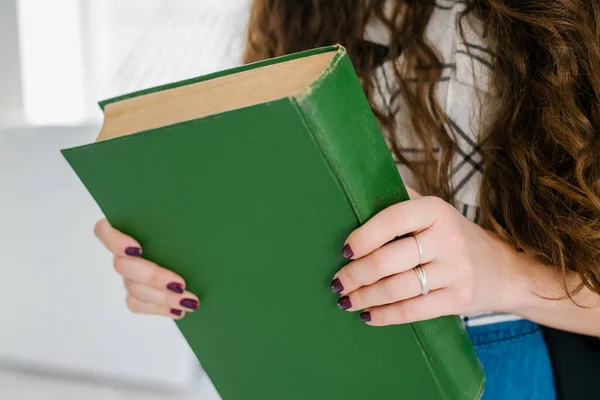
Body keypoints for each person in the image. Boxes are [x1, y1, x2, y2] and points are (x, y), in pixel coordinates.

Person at [93, 1, 600, 399]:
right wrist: (197, 261)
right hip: (316, 361)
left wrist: (505, 275)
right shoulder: (300, 9)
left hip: (509, 364)